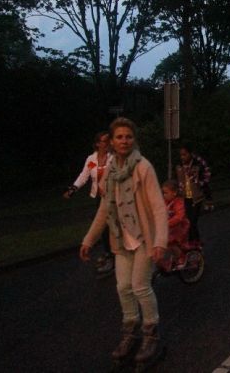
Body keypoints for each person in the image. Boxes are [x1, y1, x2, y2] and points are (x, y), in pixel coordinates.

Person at [80, 117, 168, 364]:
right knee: (123, 288)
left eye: (128, 136)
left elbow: (159, 207)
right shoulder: (110, 171)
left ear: (134, 140)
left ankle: (151, 334)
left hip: (144, 239)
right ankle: (130, 333)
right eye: (119, 137)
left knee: (140, 286)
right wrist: (88, 240)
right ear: (111, 141)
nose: (124, 141)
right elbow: (104, 210)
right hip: (121, 240)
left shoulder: (143, 167)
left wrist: (160, 241)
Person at [65, 131, 113, 275]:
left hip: (113, 197)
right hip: (99, 197)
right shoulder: (92, 159)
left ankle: (117, 254)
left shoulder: (113, 158)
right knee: (103, 227)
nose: (107, 144)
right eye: (104, 141)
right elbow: (84, 175)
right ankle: (109, 254)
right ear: (98, 144)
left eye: (108, 140)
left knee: (114, 227)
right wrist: (73, 189)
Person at [175, 144, 211, 243]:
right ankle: (194, 241)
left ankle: (193, 241)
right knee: (188, 221)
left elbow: (206, 179)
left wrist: (208, 196)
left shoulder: (198, 164)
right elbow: (177, 180)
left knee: (192, 221)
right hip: (185, 197)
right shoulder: (179, 166)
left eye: (185, 154)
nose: (182, 157)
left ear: (190, 154)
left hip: (196, 197)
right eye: (181, 155)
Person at [161, 181, 189, 268]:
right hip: (169, 227)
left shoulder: (178, 203)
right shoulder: (165, 202)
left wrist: (167, 223)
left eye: (166, 193)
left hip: (179, 227)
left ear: (174, 193)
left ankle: (181, 257)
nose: (164, 195)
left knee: (171, 242)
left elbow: (179, 217)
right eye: (163, 193)